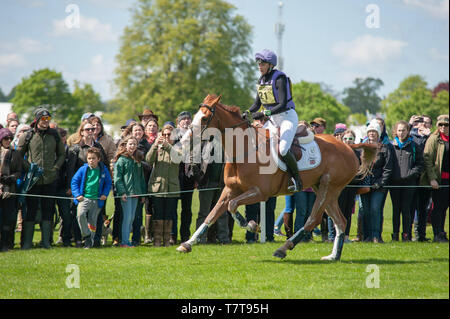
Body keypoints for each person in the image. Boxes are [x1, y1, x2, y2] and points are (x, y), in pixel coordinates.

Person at [243, 49, 300, 192]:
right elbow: (257, 104)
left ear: (270, 65)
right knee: (259, 144)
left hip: (287, 117)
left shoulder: (280, 78)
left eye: (262, 64)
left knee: (283, 148)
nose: (259, 67)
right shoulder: (261, 81)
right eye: (259, 64)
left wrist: (263, 113)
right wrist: (248, 112)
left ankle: (296, 179)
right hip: (273, 120)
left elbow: (281, 104)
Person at [17, 107, 66, 249]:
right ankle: (26, 243)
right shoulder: (27, 136)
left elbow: (62, 154)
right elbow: (19, 156)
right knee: (30, 210)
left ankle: (46, 242)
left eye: (48, 119)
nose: (46, 122)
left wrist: (56, 168)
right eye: (43, 119)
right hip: (33, 180)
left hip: (50, 180)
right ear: (37, 119)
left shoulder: (55, 135)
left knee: (48, 210)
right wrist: (29, 168)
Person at [146, 124, 181, 247]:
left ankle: (166, 240)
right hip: (158, 188)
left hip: (172, 188)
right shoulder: (158, 147)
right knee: (158, 214)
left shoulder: (178, 147)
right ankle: (157, 240)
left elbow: (178, 159)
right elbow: (148, 159)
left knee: (169, 215)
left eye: (169, 135)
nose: (166, 137)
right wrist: (155, 146)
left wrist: (167, 146)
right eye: (164, 134)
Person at [359, 121, 394, 243]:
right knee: (365, 211)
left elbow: (388, 168)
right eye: (370, 131)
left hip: (379, 186)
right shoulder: (363, 147)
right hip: (365, 183)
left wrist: (380, 183)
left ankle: (376, 236)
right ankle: (367, 236)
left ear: (378, 133)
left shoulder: (386, 147)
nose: (372, 133)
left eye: (374, 131)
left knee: (375, 209)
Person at [71, 147, 112, 249]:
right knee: (80, 215)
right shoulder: (83, 169)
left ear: (98, 159)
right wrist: (77, 194)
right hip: (84, 199)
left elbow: (108, 182)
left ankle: (90, 242)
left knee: (92, 221)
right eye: (89, 158)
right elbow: (74, 182)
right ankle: (87, 236)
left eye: (93, 158)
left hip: (97, 200)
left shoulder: (103, 170)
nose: (91, 160)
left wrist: (105, 194)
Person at [390, 121, 424, 241]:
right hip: (394, 183)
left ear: (408, 131)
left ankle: (406, 235)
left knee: (406, 209)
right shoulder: (391, 145)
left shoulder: (414, 145)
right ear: (395, 131)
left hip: (409, 183)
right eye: (399, 130)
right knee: (395, 209)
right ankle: (395, 235)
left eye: (403, 130)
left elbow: (420, 164)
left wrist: (411, 173)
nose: (401, 133)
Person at [420, 114, 449, 242]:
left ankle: (442, 233)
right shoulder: (434, 139)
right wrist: (432, 178)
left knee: (444, 207)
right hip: (439, 179)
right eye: (441, 125)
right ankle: (438, 234)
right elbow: (428, 159)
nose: (443, 127)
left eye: (446, 125)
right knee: (438, 208)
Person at [114, 136, 147, 247]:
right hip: (126, 194)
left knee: (132, 217)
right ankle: (124, 241)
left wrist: (142, 193)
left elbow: (141, 178)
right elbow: (117, 178)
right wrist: (122, 192)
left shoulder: (138, 159)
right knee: (127, 218)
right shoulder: (121, 160)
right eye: (130, 144)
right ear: (125, 145)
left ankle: (127, 241)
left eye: (134, 144)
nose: (132, 146)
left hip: (136, 193)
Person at [0, 128, 23, 251]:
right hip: (0, 188)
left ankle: (7, 244)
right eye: (5, 138)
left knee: (8, 219)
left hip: (11, 189)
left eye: (10, 138)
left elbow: (19, 171)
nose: (8, 141)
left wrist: (12, 177)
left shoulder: (16, 153)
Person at [175, 111, 196, 243]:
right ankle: (171, 235)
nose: (187, 121)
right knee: (172, 209)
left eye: (189, 119)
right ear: (178, 122)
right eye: (184, 119)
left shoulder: (195, 137)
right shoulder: (173, 136)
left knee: (187, 209)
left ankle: (185, 235)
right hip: (175, 176)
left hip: (189, 177)